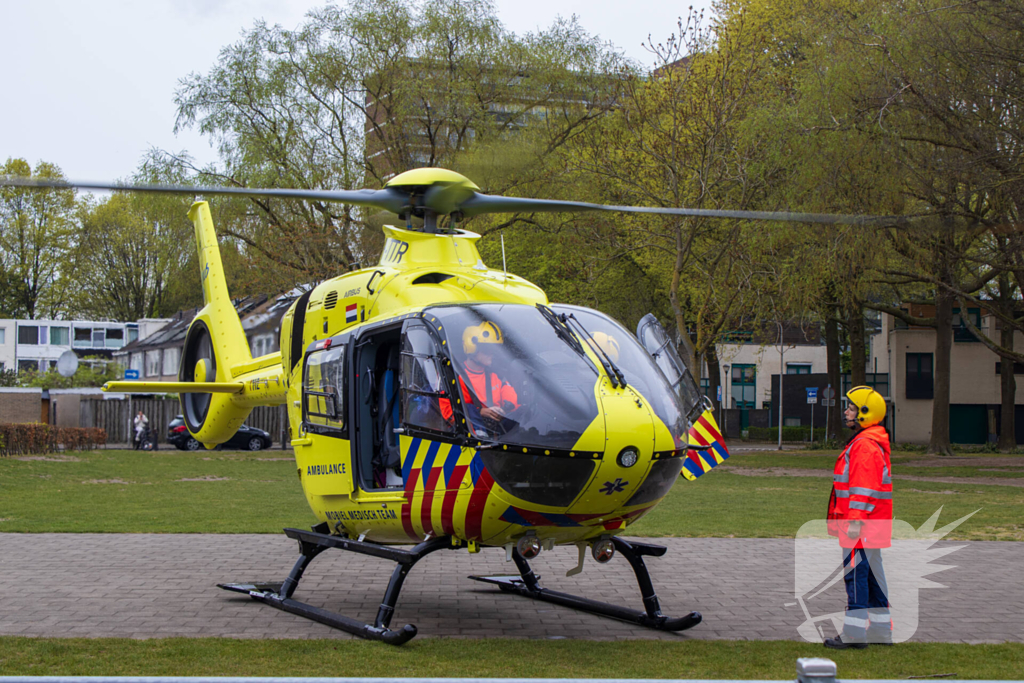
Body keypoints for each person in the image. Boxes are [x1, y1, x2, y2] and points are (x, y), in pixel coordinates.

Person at [824, 386, 893, 650]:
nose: (846, 411)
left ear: (865, 413)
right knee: (873, 575)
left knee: (857, 575)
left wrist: (854, 521)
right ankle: (880, 631)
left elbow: (863, 487)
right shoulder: (870, 442)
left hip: (861, 524)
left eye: (851, 408)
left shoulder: (864, 445)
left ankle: (854, 634)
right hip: (874, 522)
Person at [438, 321, 519, 435]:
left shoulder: (496, 375)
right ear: (471, 348)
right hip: (471, 438)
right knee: (468, 409)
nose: (491, 354)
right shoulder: (454, 377)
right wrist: (479, 412)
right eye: (486, 350)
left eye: (494, 350)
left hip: (500, 434)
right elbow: (448, 411)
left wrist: (503, 410)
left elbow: (511, 398)